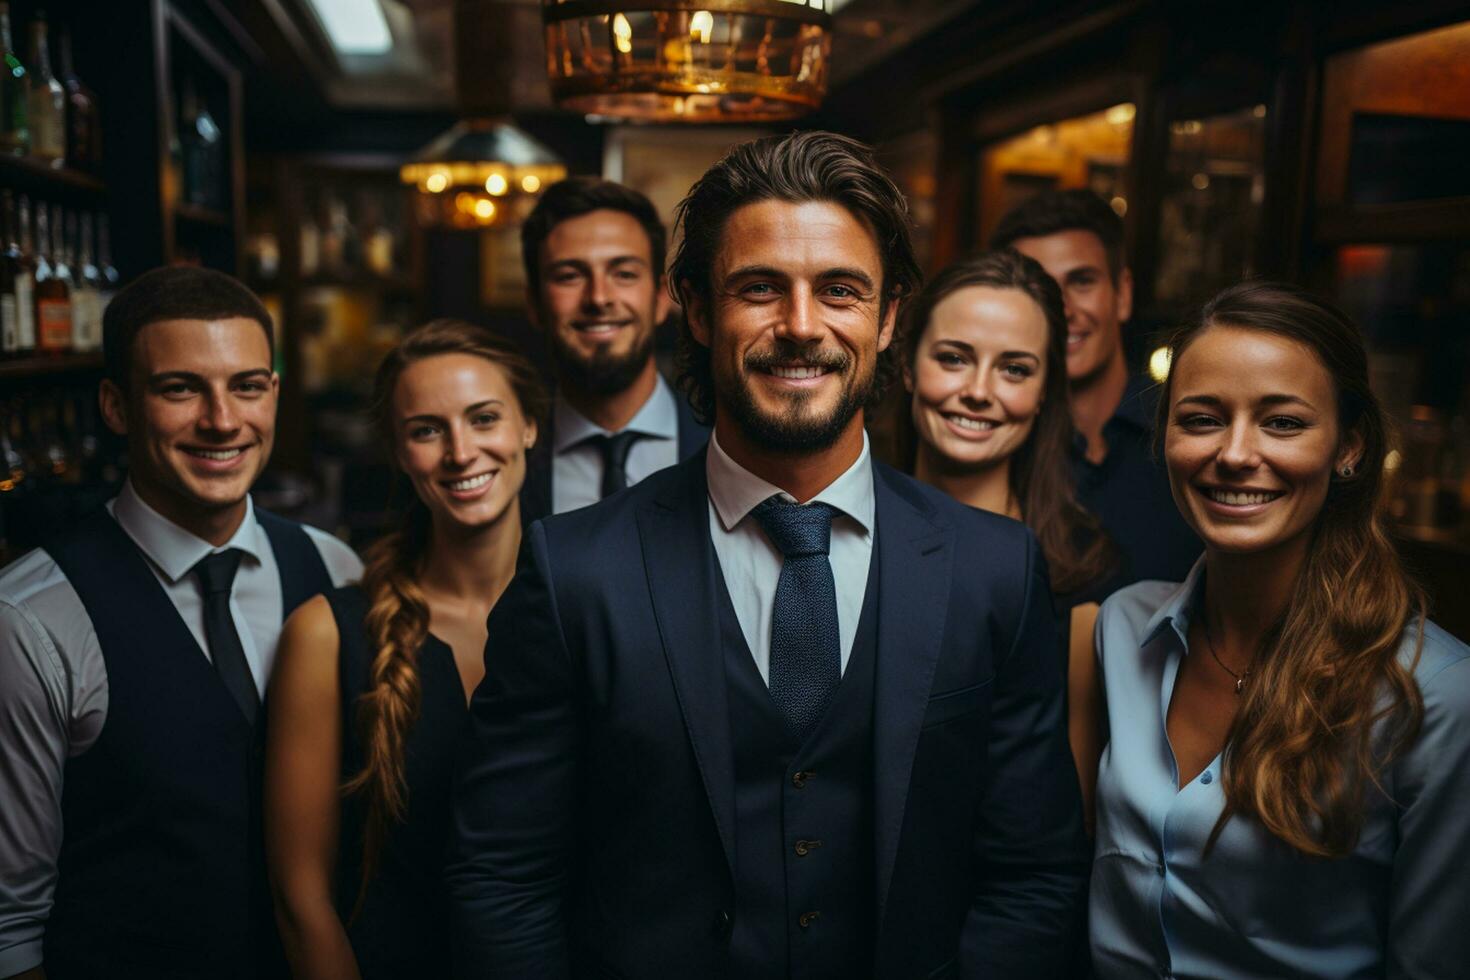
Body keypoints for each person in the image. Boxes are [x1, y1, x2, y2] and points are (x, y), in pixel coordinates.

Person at [449, 131, 1089, 979]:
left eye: (840, 291)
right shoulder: (575, 574)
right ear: (698, 307)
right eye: (759, 288)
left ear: (889, 316)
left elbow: (1032, 875)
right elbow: (502, 878)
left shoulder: (994, 570)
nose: (800, 327)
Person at [1088, 281, 1470, 979]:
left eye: (1283, 423)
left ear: (1348, 446)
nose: (1235, 453)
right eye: (1201, 418)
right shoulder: (1122, 630)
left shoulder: (1435, 698)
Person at [0, 266, 362, 980]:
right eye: (180, 388)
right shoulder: (29, 618)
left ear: (275, 395)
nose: (222, 420)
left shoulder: (339, 571)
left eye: (247, 386)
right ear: (115, 405)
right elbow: (10, 928)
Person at [264, 321, 546, 979]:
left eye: (483, 419)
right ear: (397, 450)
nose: (459, 451)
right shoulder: (326, 634)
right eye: (426, 430)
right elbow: (300, 898)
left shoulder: (595, 610)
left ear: (529, 425)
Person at [901, 248, 1115, 826]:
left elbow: (1062, 822)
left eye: (1015, 369)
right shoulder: (834, 531)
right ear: (905, 365)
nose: (978, 390)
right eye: (953, 358)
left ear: (1045, 392)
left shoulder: (1079, 580)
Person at [991, 189, 1198, 587]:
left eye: (1082, 281)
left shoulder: (1192, 431)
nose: (1063, 309)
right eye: (1039, 288)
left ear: (1123, 294)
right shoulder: (989, 442)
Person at [518, 176, 708, 520]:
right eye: (569, 276)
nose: (599, 298)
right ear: (534, 303)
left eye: (623, 273)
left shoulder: (726, 441)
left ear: (661, 298)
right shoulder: (506, 456)